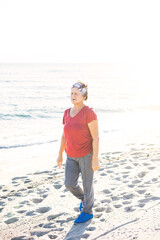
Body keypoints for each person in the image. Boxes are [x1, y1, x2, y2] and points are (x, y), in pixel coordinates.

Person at [57, 81, 100, 224]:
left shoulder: (89, 113)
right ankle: (85, 199)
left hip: (86, 155)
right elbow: (64, 136)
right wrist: (60, 155)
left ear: (84, 95)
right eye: (71, 93)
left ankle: (87, 212)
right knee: (69, 184)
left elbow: (96, 137)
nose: (73, 96)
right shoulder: (66, 113)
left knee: (88, 184)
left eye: (76, 93)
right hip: (71, 156)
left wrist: (95, 158)